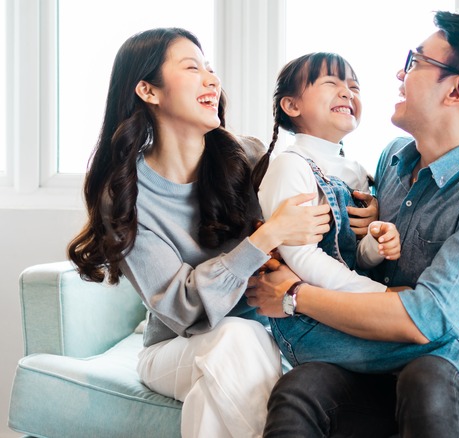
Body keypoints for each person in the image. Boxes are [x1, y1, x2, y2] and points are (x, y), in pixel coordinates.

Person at [247, 11, 459, 438]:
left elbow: (426, 320)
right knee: (300, 387)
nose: (400, 73)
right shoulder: (391, 160)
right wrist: (373, 228)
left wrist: (294, 295)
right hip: (370, 360)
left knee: (429, 374)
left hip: (449, 380)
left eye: (415, 62)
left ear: (457, 89)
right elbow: (354, 251)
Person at [66, 27, 331, 438]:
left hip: (264, 339)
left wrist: (365, 214)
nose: (212, 79)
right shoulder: (124, 194)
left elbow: (319, 187)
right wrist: (262, 239)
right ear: (148, 91)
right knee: (238, 338)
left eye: (210, 68)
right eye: (193, 68)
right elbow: (182, 308)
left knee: (215, 391)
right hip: (173, 349)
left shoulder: (248, 156)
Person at [253, 52, 401, 296]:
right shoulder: (290, 166)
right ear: (292, 105)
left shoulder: (356, 172)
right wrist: (380, 296)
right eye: (331, 83)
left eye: (354, 86)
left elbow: (356, 259)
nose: (347, 92)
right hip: (303, 312)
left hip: (348, 300)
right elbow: (302, 257)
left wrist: (376, 242)